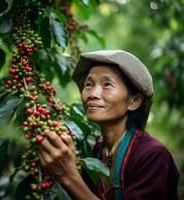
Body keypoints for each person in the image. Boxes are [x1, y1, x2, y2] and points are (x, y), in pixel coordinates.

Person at [38, 50, 179, 200]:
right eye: (89, 84)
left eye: (107, 85)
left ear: (134, 101)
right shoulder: (98, 151)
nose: (93, 94)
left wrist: (68, 176)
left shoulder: (153, 155)